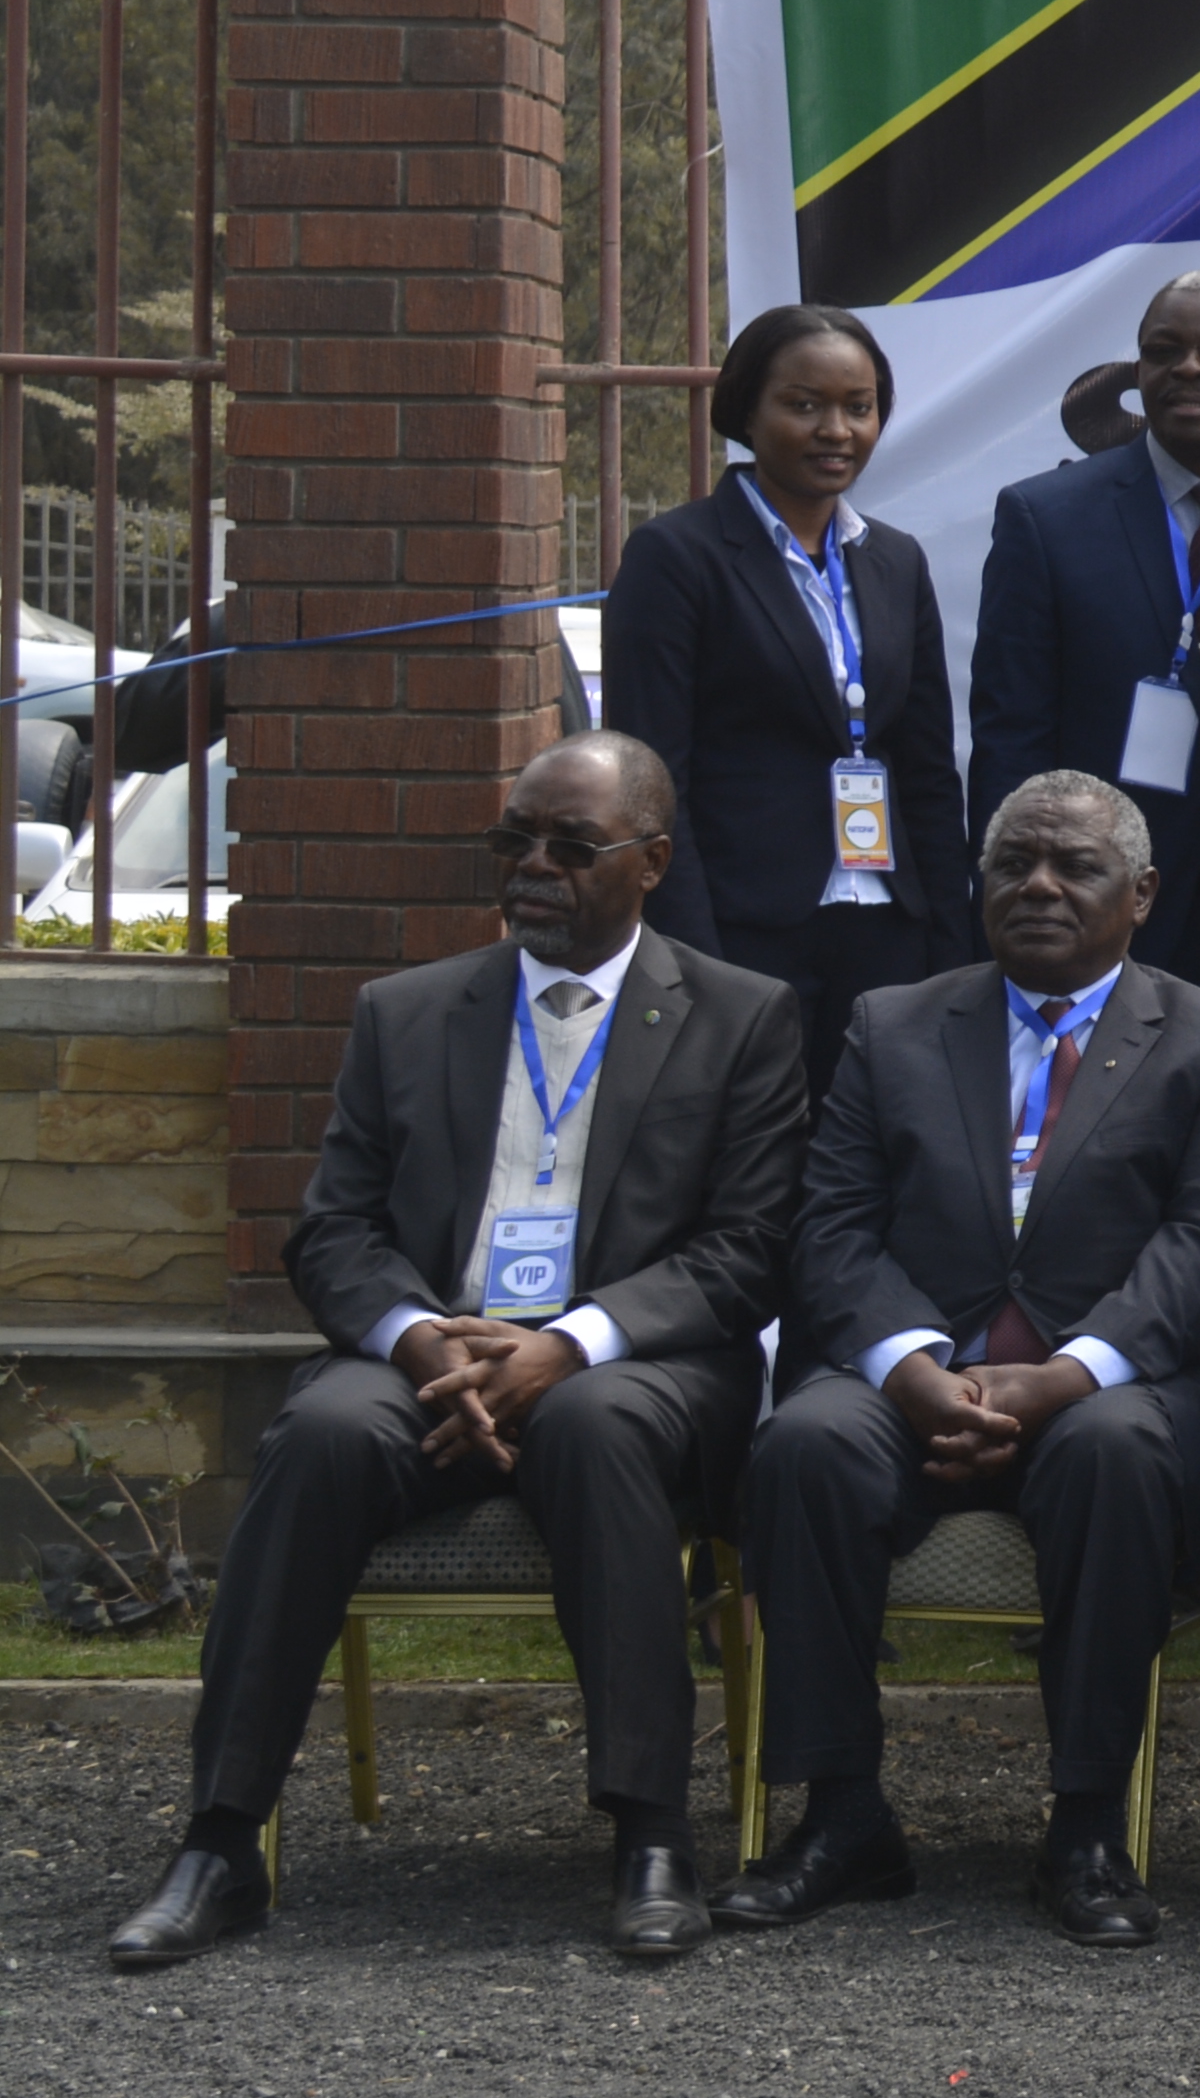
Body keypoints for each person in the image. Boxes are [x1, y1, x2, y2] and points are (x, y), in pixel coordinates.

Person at [104, 737, 809, 1968]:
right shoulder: (409, 1009)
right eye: (512, 842)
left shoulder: (741, 1017)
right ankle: (221, 1841)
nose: (531, 867)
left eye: (568, 848)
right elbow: (330, 1233)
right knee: (320, 1430)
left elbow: (748, 1252)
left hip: (630, 1365)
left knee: (597, 1426)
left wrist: (569, 1346)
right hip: (428, 1356)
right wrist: (427, 1339)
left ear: (649, 862)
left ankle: (651, 1836)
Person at [715, 771, 1200, 1949]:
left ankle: (1083, 1828)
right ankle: (841, 1816)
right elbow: (831, 1226)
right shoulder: (892, 1022)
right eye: (1012, 863)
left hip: (1115, 1391)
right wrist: (915, 1369)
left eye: (1072, 866)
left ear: (1142, 892)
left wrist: (1070, 1374)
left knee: (1113, 1453)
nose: (1036, 885)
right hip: (917, 1375)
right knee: (808, 1442)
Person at [601, 298, 974, 1079]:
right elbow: (655, 779)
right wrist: (693, 957)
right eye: (803, 406)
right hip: (747, 932)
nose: (836, 430)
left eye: (858, 407)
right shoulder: (677, 556)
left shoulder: (895, 562)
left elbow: (929, 772)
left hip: (889, 931)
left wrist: (949, 942)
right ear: (747, 409)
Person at [963, 270, 1200, 1001]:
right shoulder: (1048, 519)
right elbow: (1011, 734)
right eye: (1165, 351)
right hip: (1108, 908)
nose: (1189, 367)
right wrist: (1013, 896)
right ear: (1139, 374)